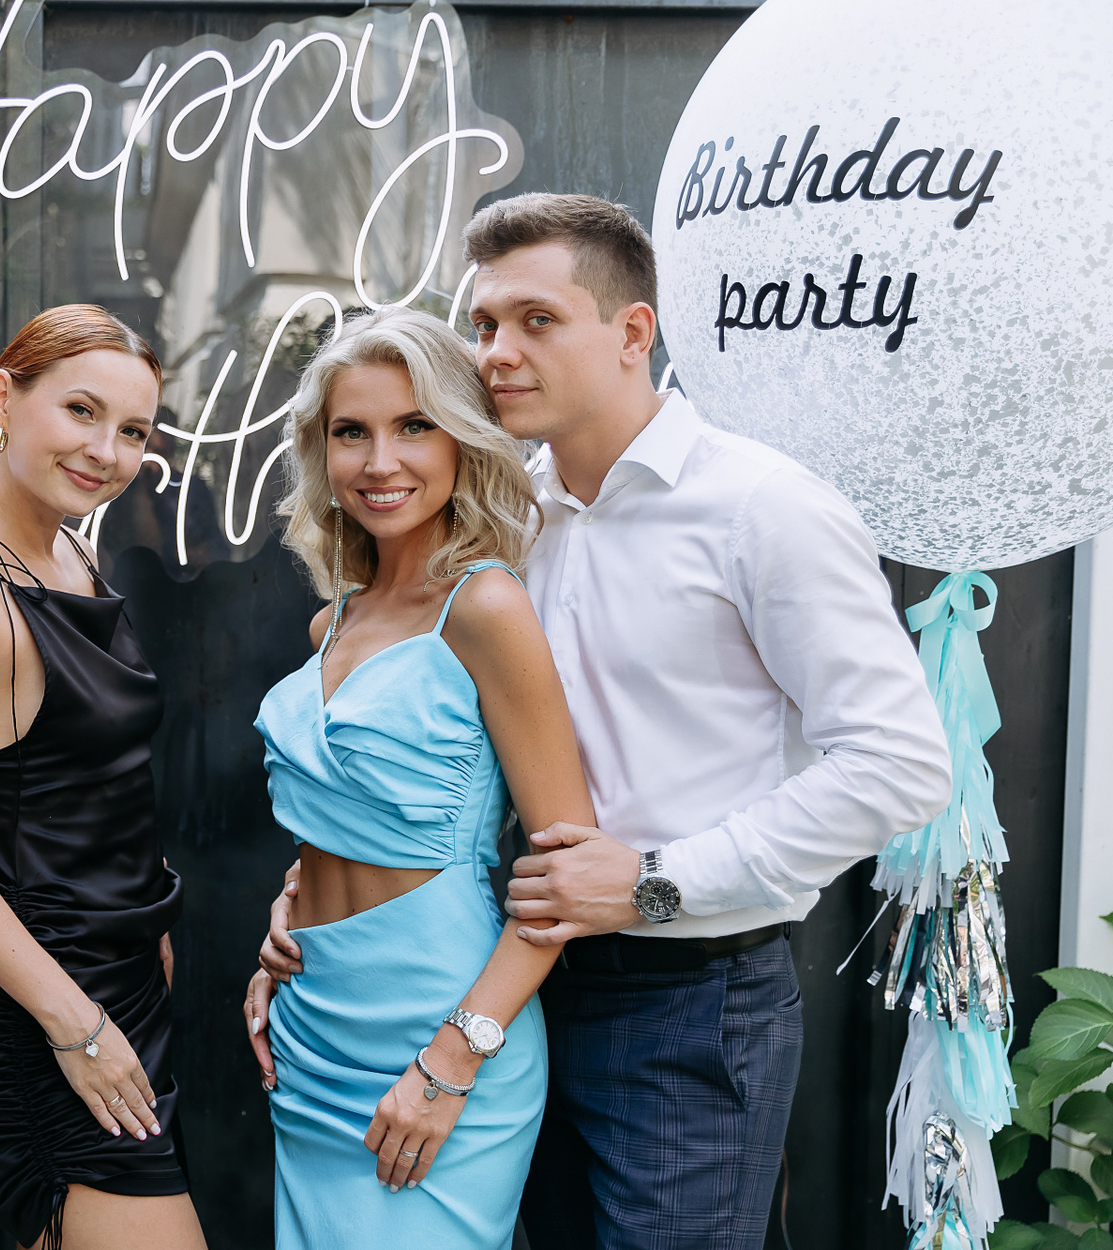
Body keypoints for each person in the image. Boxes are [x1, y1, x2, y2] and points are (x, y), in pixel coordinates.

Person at [261, 195, 953, 1248]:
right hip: (504, 976)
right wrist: (317, 892)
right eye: (485, 323)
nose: (497, 352)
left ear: (634, 331)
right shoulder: (502, 516)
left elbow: (899, 765)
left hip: (688, 998)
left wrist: (654, 879)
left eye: (537, 320)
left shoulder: (761, 507)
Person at [241, 307, 596, 1249]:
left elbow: (564, 875)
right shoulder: (333, 621)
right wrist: (290, 909)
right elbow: (347, 817)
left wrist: (453, 1058)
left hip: (439, 1025)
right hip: (313, 1022)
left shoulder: (485, 605)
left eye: (413, 426)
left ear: (461, 442)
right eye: (350, 432)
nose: (379, 461)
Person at [0, 306, 205, 1250]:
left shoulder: (73, 552)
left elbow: (84, 776)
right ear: (2, 400)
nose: (106, 451)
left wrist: (143, 918)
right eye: (81, 411)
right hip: (38, 1019)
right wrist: (74, 1025)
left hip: (118, 993)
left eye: (133, 430)